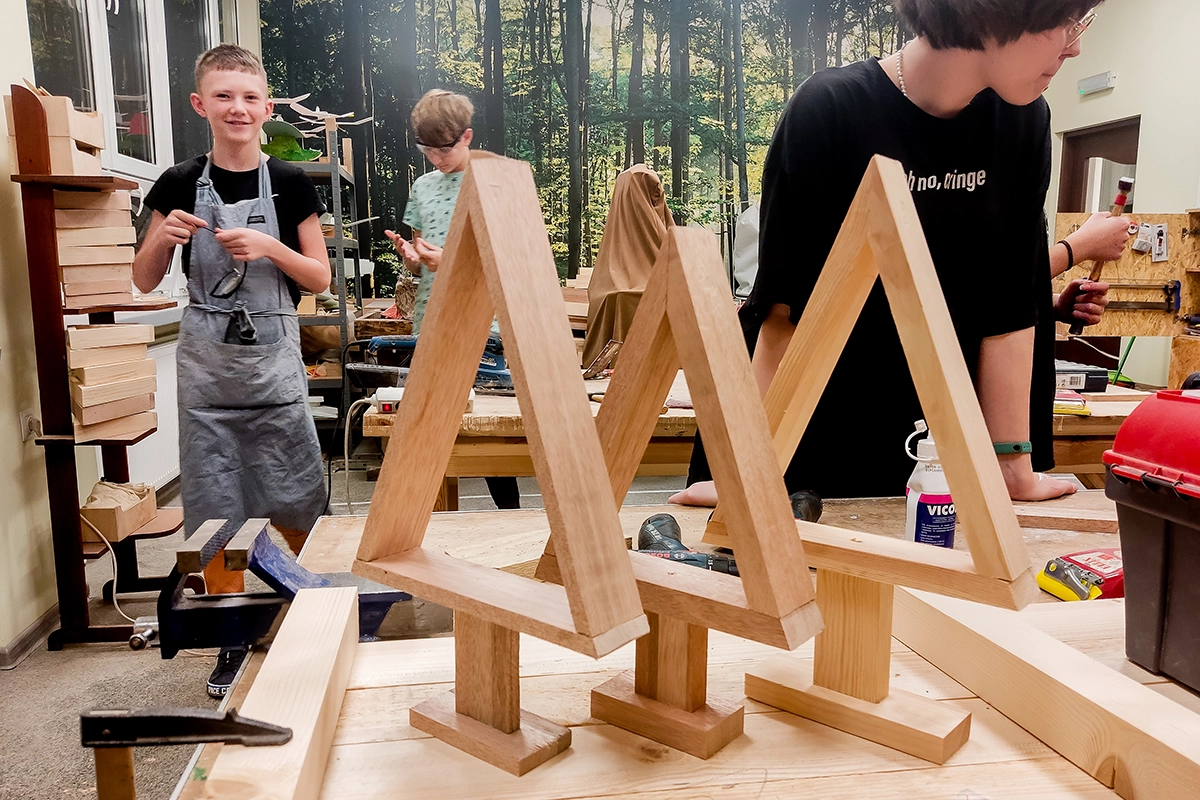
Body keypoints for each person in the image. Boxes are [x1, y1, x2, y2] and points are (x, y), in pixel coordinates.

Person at [672, 0, 1116, 509]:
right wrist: (749, 467)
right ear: (992, 11)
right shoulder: (831, 109)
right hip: (817, 419)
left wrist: (1011, 464)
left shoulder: (1022, 122)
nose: (1076, 45)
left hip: (939, 425)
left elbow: (1010, 299)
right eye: (1065, 22)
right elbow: (784, 310)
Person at [133, 44, 331, 697]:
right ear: (201, 105)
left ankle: (291, 611)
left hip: (274, 361)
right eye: (223, 96)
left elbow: (319, 276)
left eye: (249, 98)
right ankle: (232, 636)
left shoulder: (294, 184)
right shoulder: (176, 184)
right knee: (215, 503)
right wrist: (163, 239)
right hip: (207, 368)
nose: (237, 108)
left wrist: (269, 246)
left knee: (297, 490)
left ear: (266, 108)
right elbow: (143, 278)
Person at [386, 89, 520, 509]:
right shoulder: (423, 187)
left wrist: (452, 261)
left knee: (485, 434)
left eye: (443, 148)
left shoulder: (494, 180)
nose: (435, 158)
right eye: (426, 149)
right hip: (431, 322)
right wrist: (412, 258)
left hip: (484, 323)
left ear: (466, 136)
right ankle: (428, 530)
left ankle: (511, 521)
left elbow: (513, 257)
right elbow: (419, 262)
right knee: (431, 430)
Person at [581, 164, 674, 369]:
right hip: (624, 289)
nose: (658, 198)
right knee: (622, 297)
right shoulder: (629, 226)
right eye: (653, 192)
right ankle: (629, 366)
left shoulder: (658, 224)